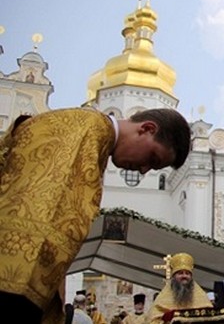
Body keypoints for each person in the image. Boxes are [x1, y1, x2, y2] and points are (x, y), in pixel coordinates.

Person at [0, 107, 192, 323]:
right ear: (146, 129)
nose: (144, 170)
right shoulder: (85, 129)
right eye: (152, 158)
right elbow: (39, 209)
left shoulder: (95, 138)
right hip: (13, 284)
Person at [146, 252, 214, 323]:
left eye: (187, 273)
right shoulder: (163, 298)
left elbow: (210, 318)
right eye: (180, 273)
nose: (184, 276)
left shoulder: (202, 297)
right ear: (174, 276)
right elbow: (152, 319)